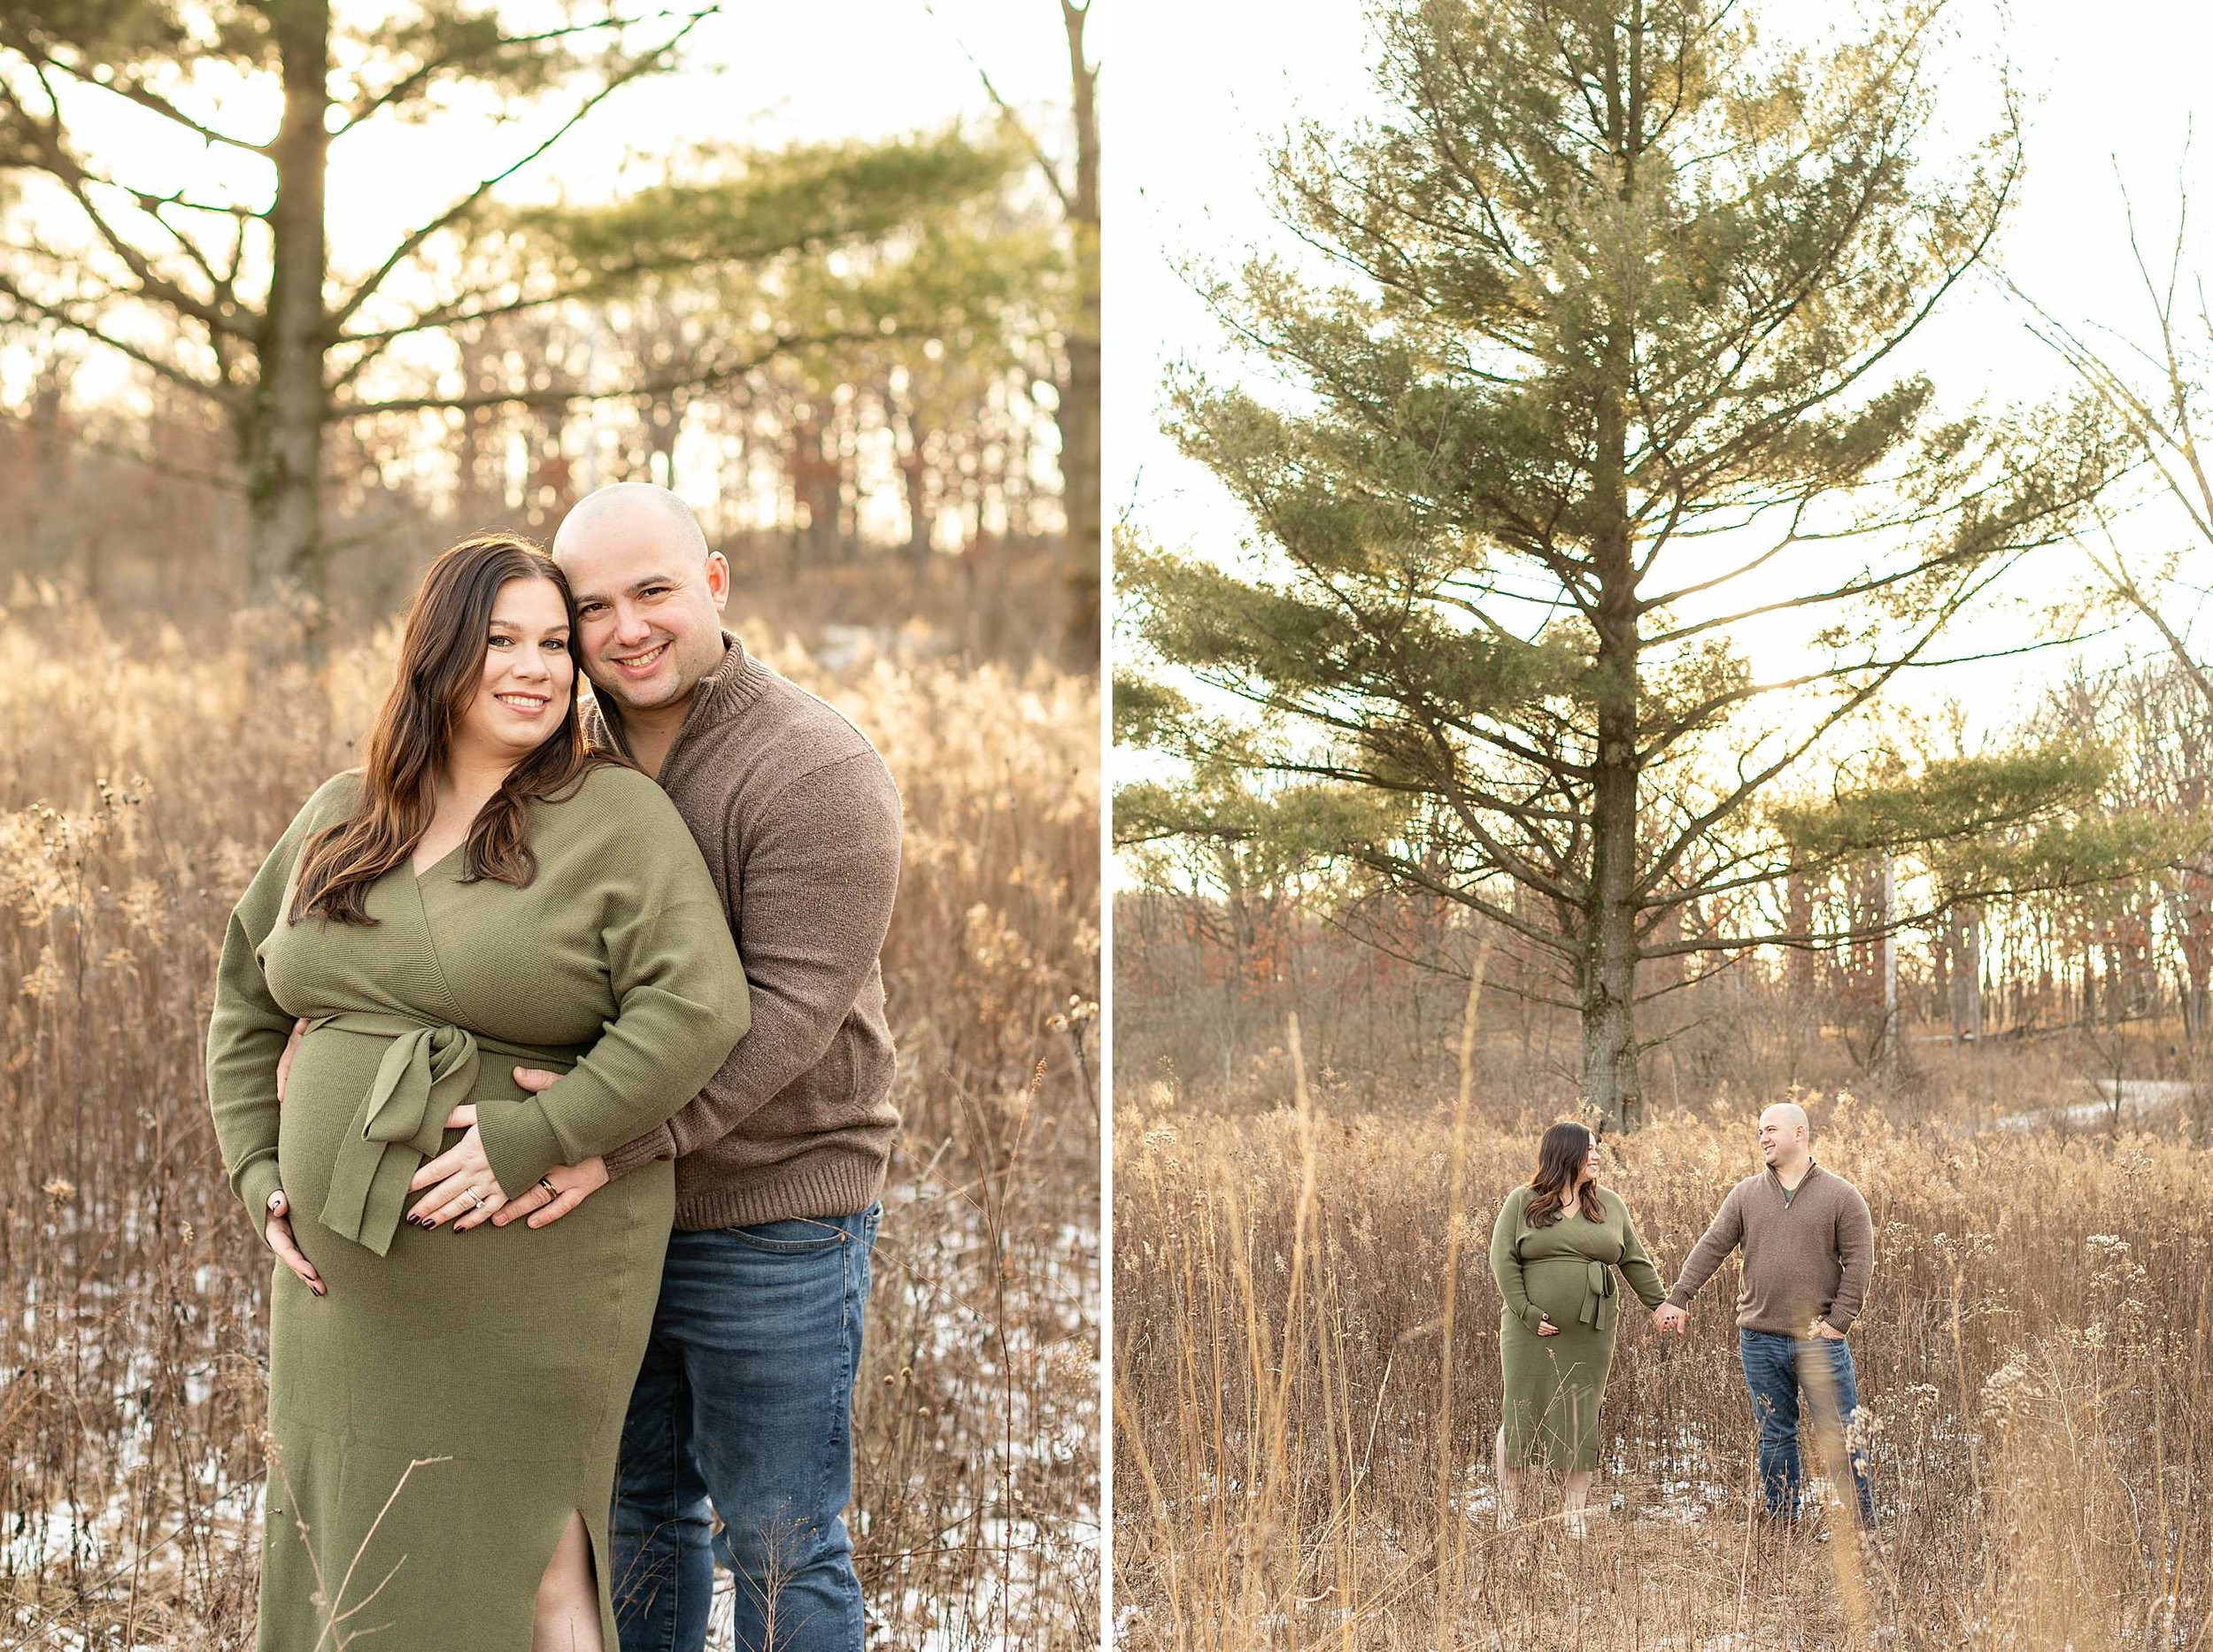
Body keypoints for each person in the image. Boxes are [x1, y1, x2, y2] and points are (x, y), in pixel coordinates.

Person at [205, 532, 752, 1651]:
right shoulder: (341, 815)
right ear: (438, 653)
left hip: (528, 1254)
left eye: (554, 644)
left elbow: (698, 1007)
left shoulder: (613, 818)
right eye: (502, 640)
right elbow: (244, 999)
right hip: (340, 1289)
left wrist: (542, 1132)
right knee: (347, 1544)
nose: (536, 668)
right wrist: (258, 1168)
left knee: (533, 1549)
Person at [496, 482, 903, 1652]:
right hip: (606, 1215)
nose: (626, 630)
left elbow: (786, 1018)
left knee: (780, 1541)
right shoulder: (556, 760)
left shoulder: (813, 765)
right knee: (630, 1518)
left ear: (714, 582)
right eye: (593, 608)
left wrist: (605, 1136)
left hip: (773, 1215)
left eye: (654, 592)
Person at [1654, 1101, 1877, 1527]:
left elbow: (1860, 1262)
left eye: (1771, 1129)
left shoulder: (1842, 1196)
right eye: (1760, 1132)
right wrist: (1679, 1296)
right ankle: (1782, 1520)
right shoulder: (1746, 1194)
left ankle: (1862, 1526)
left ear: (1800, 1133)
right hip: (1760, 1339)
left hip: (1819, 1340)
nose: (1763, 1138)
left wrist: (1838, 1322)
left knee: (1840, 1434)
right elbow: (1712, 1246)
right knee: (1775, 1433)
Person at [1489, 1121, 1669, 1538]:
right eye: (1589, 1149)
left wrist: (1661, 1305)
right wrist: (1527, 1312)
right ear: (1565, 1153)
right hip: (1528, 1331)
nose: (1597, 1155)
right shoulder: (1522, 1201)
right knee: (1520, 1408)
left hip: (1591, 1331)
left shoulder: (1609, 1205)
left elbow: (1634, 1260)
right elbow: (1502, 1260)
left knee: (1581, 1412)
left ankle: (1574, 1514)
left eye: (1597, 1148)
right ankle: (1508, 1508)